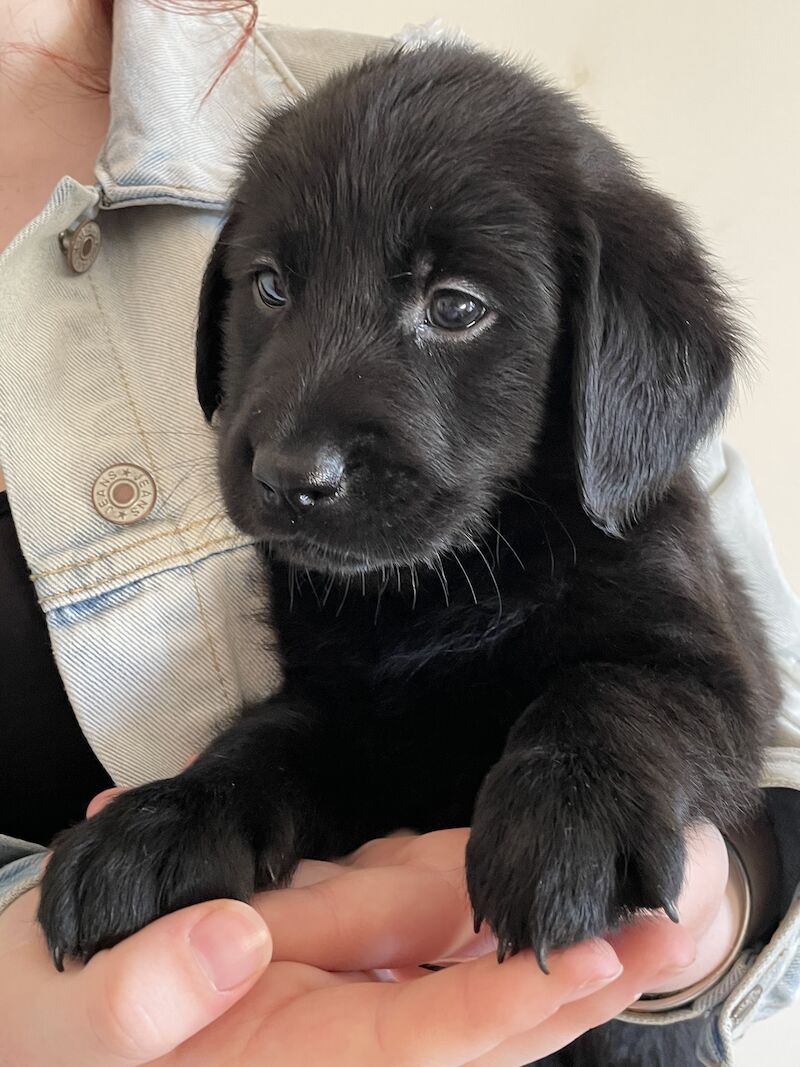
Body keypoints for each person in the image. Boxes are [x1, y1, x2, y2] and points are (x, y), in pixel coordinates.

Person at [0, 2, 798, 1064]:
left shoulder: (620, 530)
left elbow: (716, 694)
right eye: (275, 288)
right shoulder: (293, 148)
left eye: (456, 306)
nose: (294, 451)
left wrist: (717, 897)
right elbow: (344, 734)